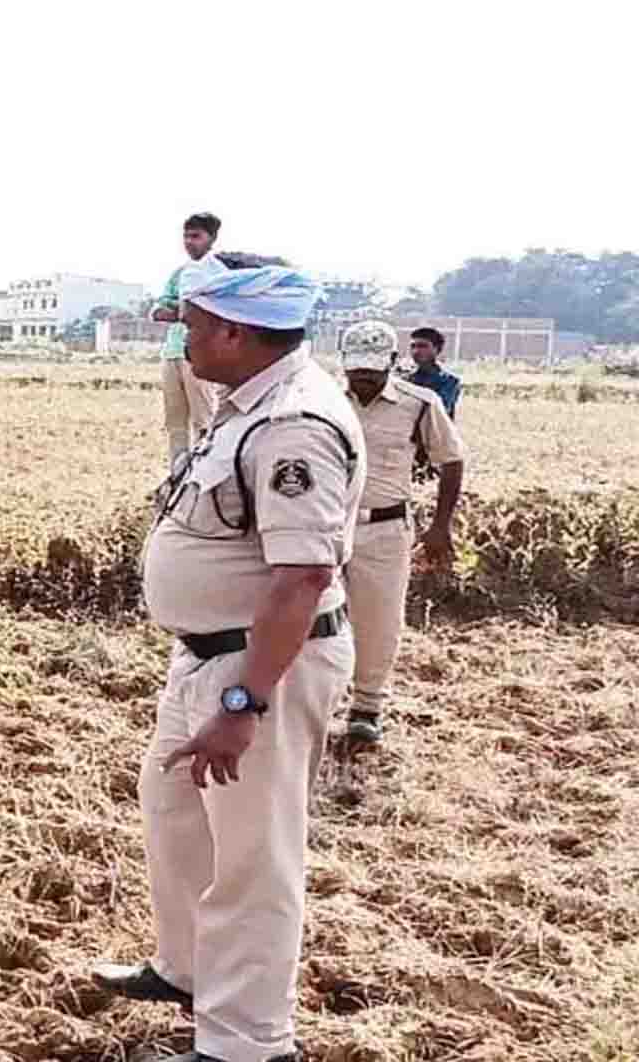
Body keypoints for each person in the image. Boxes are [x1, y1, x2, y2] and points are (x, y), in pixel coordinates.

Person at [90, 266, 363, 1062]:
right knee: (175, 814)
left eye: (194, 325)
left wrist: (244, 705)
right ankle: (189, 971)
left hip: (261, 666)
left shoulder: (295, 425)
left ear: (236, 334)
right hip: (206, 659)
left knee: (253, 859)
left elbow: (304, 578)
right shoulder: (240, 407)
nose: (185, 338)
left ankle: (247, 1044)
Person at [339, 321, 466, 747]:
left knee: (377, 619)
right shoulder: (324, 402)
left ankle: (366, 707)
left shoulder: (420, 404)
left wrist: (440, 527)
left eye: (371, 373)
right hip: (326, 526)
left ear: (392, 364)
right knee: (308, 617)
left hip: (386, 528)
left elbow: (451, 460)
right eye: (355, 372)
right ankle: (312, 701)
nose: (362, 381)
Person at [152, 212, 224, 465]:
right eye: (186, 236)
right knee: (175, 423)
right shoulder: (180, 273)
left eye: (196, 236)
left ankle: (203, 476)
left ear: (212, 238)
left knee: (204, 421)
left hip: (201, 354)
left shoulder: (220, 272)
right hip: (172, 352)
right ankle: (177, 477)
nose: (189, 242)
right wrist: (183, 313)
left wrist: (185, 313)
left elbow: (213, 312)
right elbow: (160, 310)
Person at [407, 326, 462, 419]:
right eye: (413, 346)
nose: (416, 351)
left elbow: (438, 411)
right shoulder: (405, 378)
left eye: (423, 346)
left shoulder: (449, 381)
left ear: (437, 349)